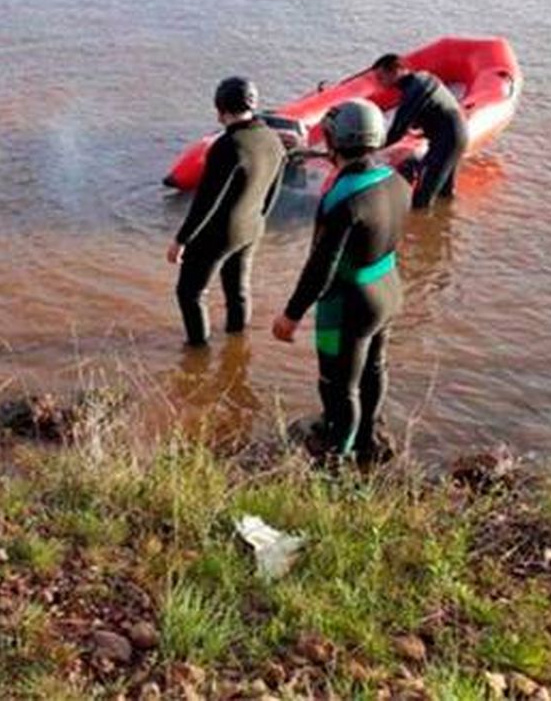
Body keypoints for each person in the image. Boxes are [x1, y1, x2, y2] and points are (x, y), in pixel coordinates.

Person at [272, 99, 410, 465]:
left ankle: (338, 457)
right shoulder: (397, 181)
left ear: (334, 140)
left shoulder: (344, 201)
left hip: (347, 305)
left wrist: (291, 314)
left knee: (337, 385)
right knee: (375, 368)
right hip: (389, 291)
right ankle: (367, 437)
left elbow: (321, 268)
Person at [168, 77, 287, 346]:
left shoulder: (227, 146)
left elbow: (207, 201)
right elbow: (273, 190)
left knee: (190, 293)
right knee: (238, 290)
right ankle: (237, 342)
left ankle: (197, 351)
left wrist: (182, 239)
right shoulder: (272, 138)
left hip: (220, 233)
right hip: (252, 228)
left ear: (220, 110)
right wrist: (259, 221)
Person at [371, 53, 469, 209]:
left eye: (381, 77)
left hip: (447, 140)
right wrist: (423, 131)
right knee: (445, 192)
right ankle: (444, 225)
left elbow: (398, 129)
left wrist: (371, 153)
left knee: (422, 199)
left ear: (396, 71)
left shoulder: (414, 89)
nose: (379, 83)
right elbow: (437, 111)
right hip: (455, 135)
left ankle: (421, 226)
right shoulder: (421, 80)